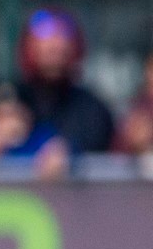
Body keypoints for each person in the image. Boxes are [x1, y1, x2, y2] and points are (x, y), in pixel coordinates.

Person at [9, 8, 113, 156]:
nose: (55, 43)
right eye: (44, 32)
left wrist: (68, 152)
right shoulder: (8, 99)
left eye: (63, 33)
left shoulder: (92, 110)